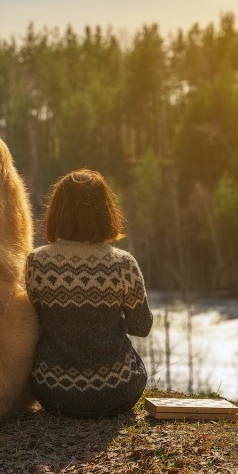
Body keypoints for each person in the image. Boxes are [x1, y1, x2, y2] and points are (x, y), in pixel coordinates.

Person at [25, 168, 153, 417]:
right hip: (118, 389)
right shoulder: (123, 263)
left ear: (56, 211)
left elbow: (36, 320)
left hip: (52, 390)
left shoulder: (37, 262)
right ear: (105, 211)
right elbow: (142, 326)